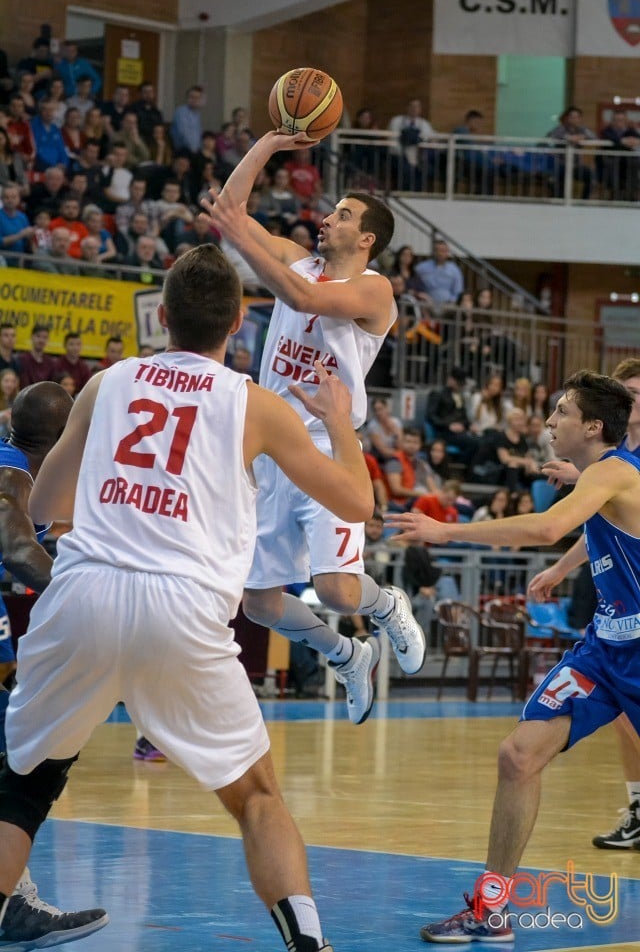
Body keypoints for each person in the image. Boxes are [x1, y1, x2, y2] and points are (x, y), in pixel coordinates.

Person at [0, 243, 377, 952]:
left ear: (162, 318)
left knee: (23, 788)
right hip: (181, 607)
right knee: (257, 797)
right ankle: (309, 945)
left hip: (81, 591)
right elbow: (356, 502)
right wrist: (343, 422)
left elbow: (48, 505)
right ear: (238, 323)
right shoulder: (256, 406)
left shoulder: (107, 383)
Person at [387, 370, 640, 943]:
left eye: (562, 414)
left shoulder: (614, 472)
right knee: (518, 756)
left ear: (594, 426)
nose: (550, 423)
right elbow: (586, 517)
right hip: (606, 649)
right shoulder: (603, 475)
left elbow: (548, 525)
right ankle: (491, 909)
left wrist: (446, 532)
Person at [202, 128, 426, 726]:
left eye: (344, 214)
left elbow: (302, 300)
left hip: (329, 446)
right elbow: (231, 213)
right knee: (260, 604)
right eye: (331, 210)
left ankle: (385, 604)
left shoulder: (374, 289)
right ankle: (346, 654)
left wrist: (253, 249)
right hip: (272, 447)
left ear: (367, 237)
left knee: (337, 592)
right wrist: (270, 145)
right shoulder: (297, 261)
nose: (328, 218)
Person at [0, 381, 109, 949]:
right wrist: (80, 590)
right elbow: (17, 549)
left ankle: (14, 897)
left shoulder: (26, 467)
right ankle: (13, 904)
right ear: (62, 439)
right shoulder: (11, 468)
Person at [543, 357, 640, 851]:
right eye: (626, 390)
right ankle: (639, 804)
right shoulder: (610, 460)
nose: (632, 398)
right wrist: (562, 567)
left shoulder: (622, 467)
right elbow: (604, 516)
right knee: (622, 712)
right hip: (614, 600)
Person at [415, 239, 464, 308]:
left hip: (448, 305)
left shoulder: (454, 269)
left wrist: (453, 302)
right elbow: (414, 284)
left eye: (443, 251)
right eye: (438, 250)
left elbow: (458, 290)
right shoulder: (422, 268)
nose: (440, 253)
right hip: (426, 304)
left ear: (447, 252)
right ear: (434, 251)